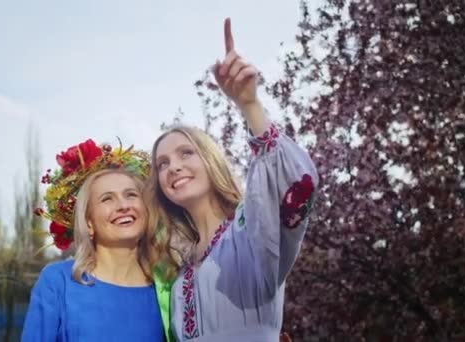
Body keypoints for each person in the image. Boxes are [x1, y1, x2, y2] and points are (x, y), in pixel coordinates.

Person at [145, 18, 319, 341]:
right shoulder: (177, 268)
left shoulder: (251, 229)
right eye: (162, 163)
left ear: (211, 161)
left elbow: (294, 183)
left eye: (186, 153)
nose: (173, 167)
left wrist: (248, 104)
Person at [22, 138, 172, 341]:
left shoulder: (166, 288)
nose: (123, 205)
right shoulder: (58, 282)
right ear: (89, 223)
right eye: (107, 198)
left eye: (131, 195)